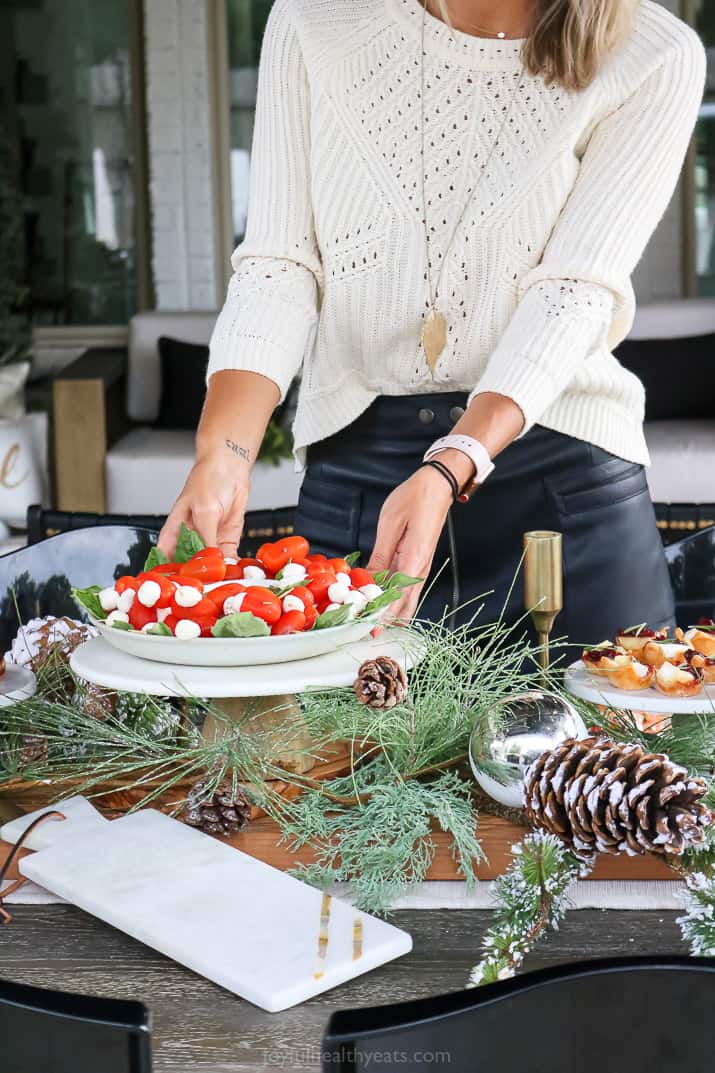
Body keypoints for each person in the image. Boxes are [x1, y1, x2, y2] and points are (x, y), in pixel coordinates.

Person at [159, 0, 705, 643]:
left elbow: (574, 290)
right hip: (360, 477)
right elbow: (278, 265)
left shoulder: (651, 51)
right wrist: (224, 454)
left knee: (605, 745)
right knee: (342, 747)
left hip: (563, 486)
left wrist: (455, 461)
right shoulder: (315, 19)